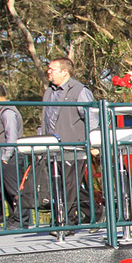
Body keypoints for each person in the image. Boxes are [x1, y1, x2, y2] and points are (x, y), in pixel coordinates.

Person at [39, 56, 100, 225]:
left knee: (69, 185)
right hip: (53, 147)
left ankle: (66, 221)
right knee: (60, 185)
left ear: (64, 72)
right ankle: (95, 211)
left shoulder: (79, 90)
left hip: (74, 147)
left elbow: (91, 119)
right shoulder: (49, 91)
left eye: (52, 69)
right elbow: (46, 118)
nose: (48, 72)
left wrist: (93, 143)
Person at [0, 83, 24, 227]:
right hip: (1, 156)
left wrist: (6, 156)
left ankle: (20, 220)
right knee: (6, 190)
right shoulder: (1, 112)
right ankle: (13, 218)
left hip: (9, 157)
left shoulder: (7, 112)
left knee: (14, 190)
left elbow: (11, 135)